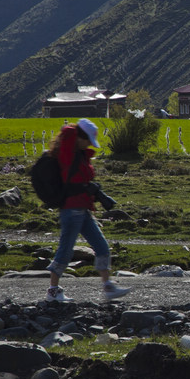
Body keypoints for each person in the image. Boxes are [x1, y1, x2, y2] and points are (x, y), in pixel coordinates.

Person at [46, 118, 131, 302]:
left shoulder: (78, 154)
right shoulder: (68, 151)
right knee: (66, 250)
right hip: (71, 209)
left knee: (101, 247)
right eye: (87, 141)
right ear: (79, 137)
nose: (88, 145)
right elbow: (69, 134)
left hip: (83, 209)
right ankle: (53, 290)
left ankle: (108, 287)